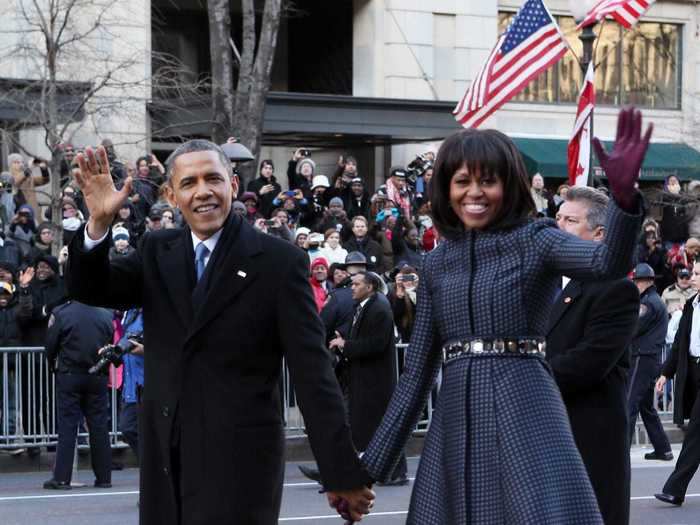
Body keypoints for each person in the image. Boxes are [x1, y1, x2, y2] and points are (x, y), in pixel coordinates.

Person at [357, 107, 649, 524]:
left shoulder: (538, 240)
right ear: (445, 188)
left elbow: (606, 263)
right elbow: (416, 375)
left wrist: (623, 201)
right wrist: (367, 469)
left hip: (528, 413)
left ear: (508, 186)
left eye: (487, 181)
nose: (474, 192)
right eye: (462, 181)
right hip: (454, 423)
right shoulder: (437, 263)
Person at [66, 140, 374, 524]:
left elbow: (313, 375)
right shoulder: (157, 249)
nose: (203, 191)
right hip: (167, 460)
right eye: (189, 182)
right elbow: (89, 288)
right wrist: (97, 225)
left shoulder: (278, 262)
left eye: (212, 178)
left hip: (240, 465)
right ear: (172, 196)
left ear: (231, 184)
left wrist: (339, 470)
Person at [546, 186, 640, 525]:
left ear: (599, 234)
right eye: (556, 217)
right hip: (548, 432)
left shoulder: (616, 288)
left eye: (570, 220)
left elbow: (589, 362)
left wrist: (525, 375)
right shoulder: (547, 285)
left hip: (589, 437)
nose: (557, 227)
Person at [302, 272, 407, 486]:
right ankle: (343, 471)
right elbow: (357, 332)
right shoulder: (364, 306)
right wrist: (344, 338)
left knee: (374, 427)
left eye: (357, 284)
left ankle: (348, 472)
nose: (352, 287)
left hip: (374, 381)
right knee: (363, 428)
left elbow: (376, 344)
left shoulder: (379, 308)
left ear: (370, 287)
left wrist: (346, 345)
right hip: (361, 379)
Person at [42, 299, 114, 489]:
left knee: (68, 427)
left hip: (70, 373)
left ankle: (62, 478)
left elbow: (50, 345)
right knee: (99, 426)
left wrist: (53, 365)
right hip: (97, 374)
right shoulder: (105, 313)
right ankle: (104, 477)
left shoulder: (61, 312)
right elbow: (111, 343)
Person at [654, 260, 700, 506]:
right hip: (693, 371)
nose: (692, 277)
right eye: (693, 273)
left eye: (697, 274)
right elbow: (680, 344)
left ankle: (675, 488)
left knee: (695, 433)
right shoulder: (692, 306)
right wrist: (665, 373)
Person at [627, 263, 673, 462]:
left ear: (645, 282)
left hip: (642, 357)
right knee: (646, 407)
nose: (634, 285)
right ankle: (663, 449)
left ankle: (620, 452)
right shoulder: (652, 300)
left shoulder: (648, 303)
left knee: (629, 405)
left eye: (636, 281)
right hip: (649, 358)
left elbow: (633, 328)